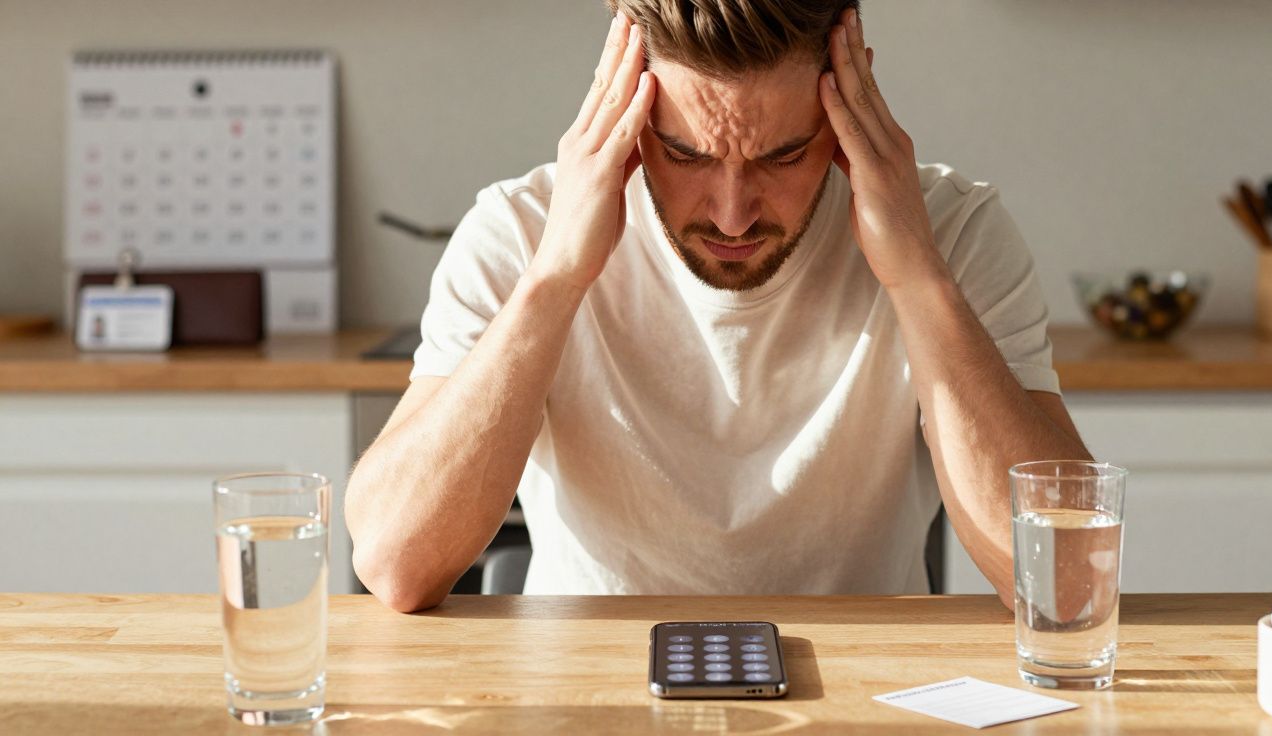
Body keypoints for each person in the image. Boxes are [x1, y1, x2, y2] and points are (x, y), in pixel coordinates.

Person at [345, 0, 1092, 613]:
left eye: (783, 156)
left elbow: (1065, 583)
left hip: (869, 697)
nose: (733, 215)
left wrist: (918, 281)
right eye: (688, 154)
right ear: (624, 100)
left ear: (848, 100)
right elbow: (395, 564)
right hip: (589, 695)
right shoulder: (520, 232)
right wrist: (555, 280)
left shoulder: (951, 231)